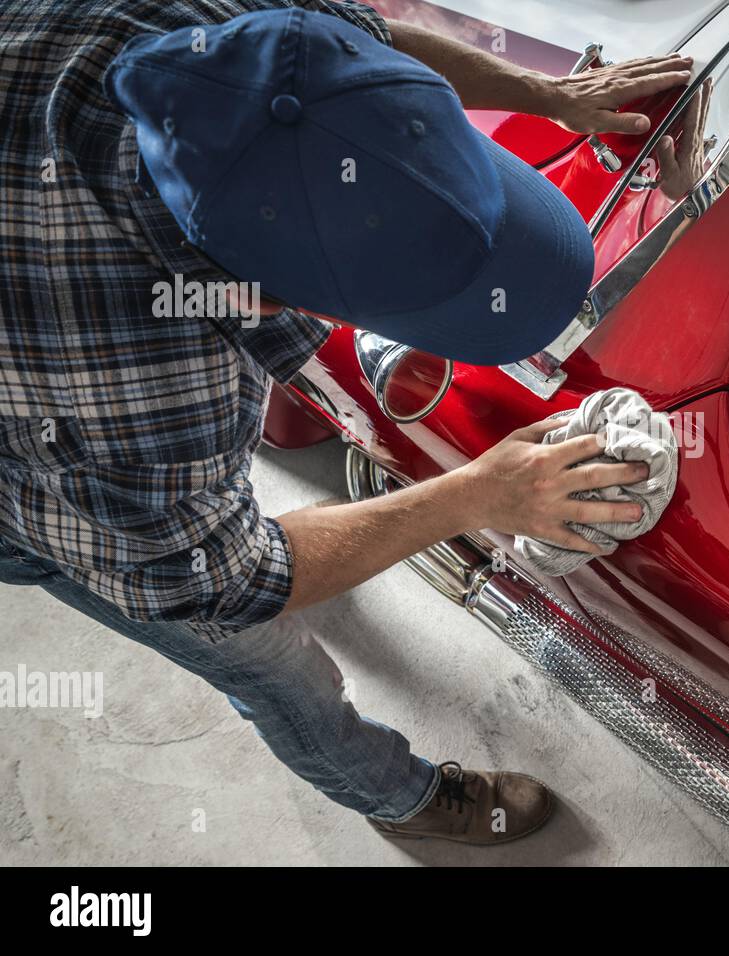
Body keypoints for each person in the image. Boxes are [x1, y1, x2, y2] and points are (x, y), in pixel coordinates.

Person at [0, 0, 693, 845]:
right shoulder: (140, 391)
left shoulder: (217, 32)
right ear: (271, 299)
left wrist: (546, 91)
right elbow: (223, 579)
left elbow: (352, 33)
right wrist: (476, 494)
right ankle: (397, 797)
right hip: (32, 475)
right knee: (265, 660)